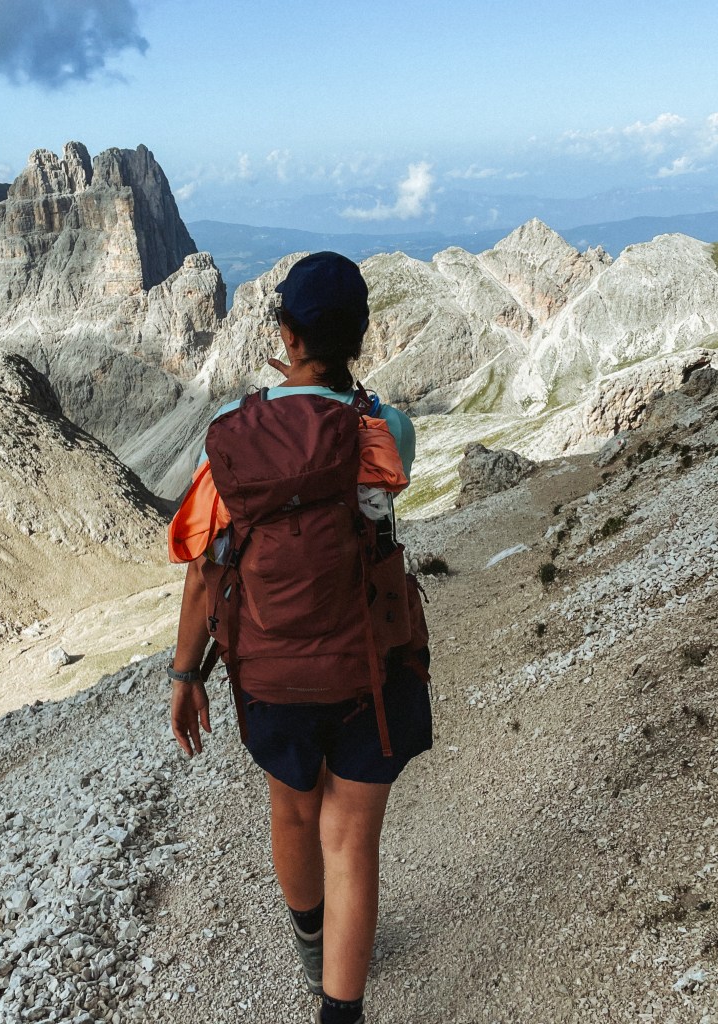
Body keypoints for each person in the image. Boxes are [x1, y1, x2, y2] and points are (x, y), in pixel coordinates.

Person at [169, 252, 432, 1024]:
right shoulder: (389, 432)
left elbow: (201, 571)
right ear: (360, 336)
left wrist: (187, 677)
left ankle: (312, 944)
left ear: (285, 333)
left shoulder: (229, 440)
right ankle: (339, 1010)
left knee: (293, 812)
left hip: (271, 671)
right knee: (351, 840)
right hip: (369, 667)